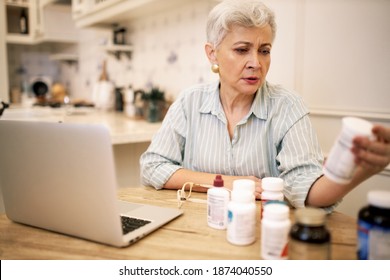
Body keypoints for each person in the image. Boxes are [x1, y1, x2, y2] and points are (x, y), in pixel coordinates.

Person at [140, 0, 390, 212]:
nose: (255, 63)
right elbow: (152, 167)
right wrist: (226, 182)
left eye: (264, 50)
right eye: (242, 50)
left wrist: (364, 170)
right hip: (195, 228)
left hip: (260, 234)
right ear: (212, 53)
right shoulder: (188, 102)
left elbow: (308, 191)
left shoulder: (287, 106)